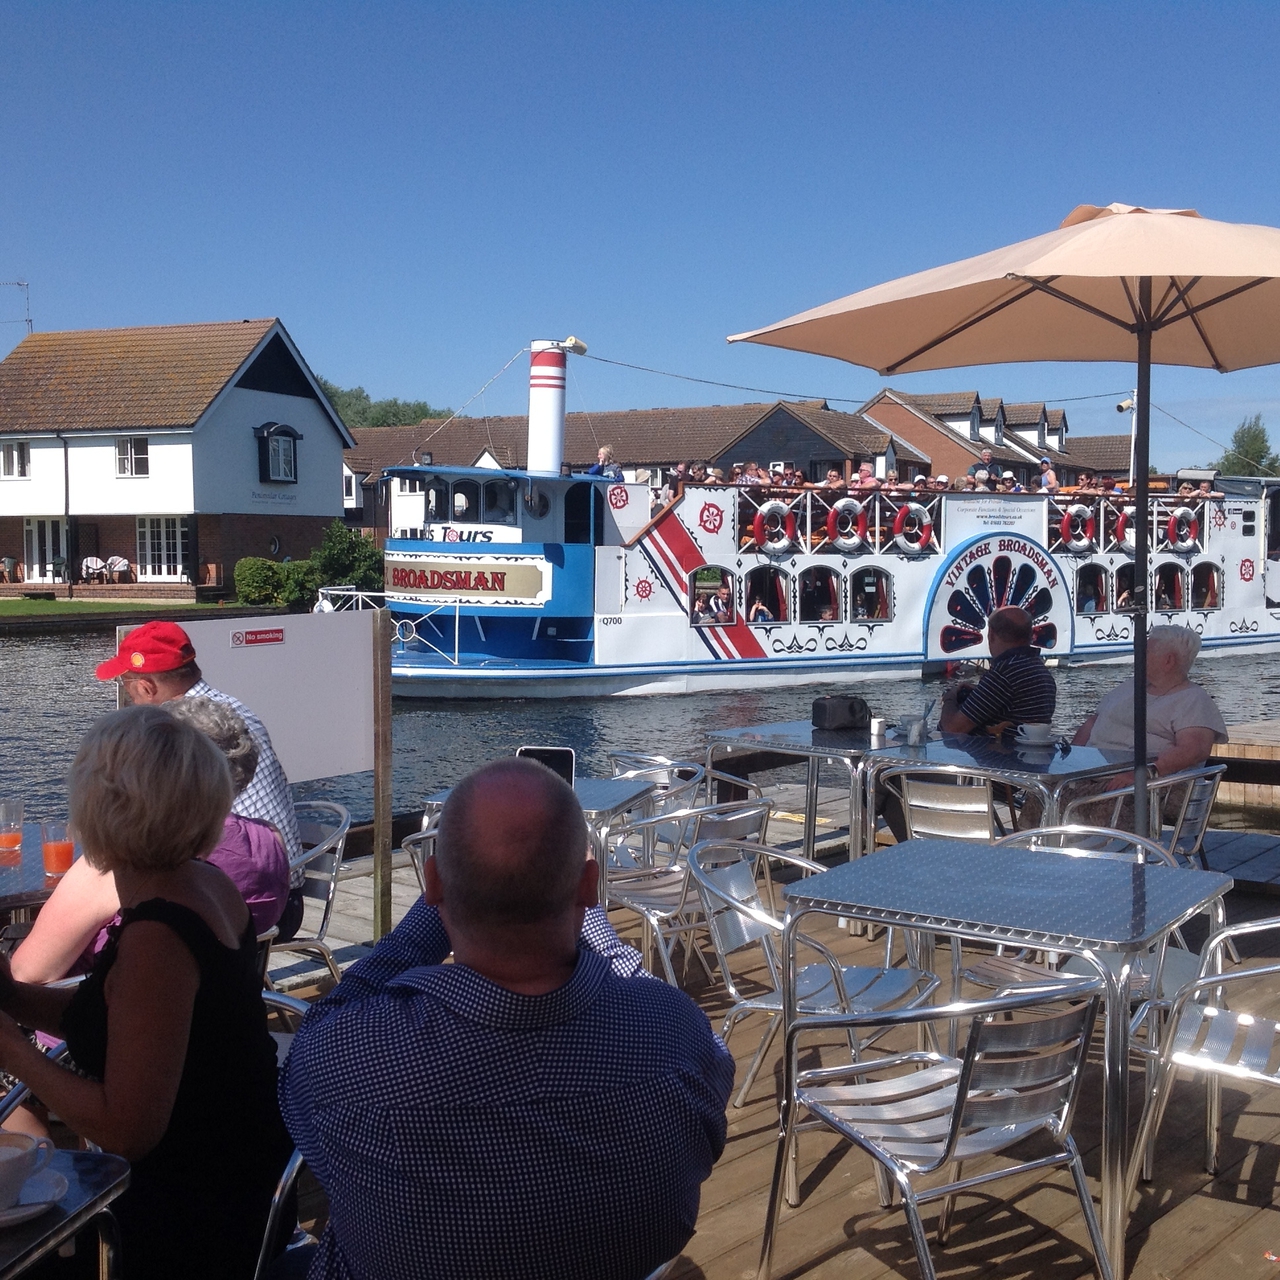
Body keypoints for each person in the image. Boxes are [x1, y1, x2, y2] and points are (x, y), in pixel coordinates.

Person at [280, 758, 734, 1280]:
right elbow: (707, 1092)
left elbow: (305, 1061)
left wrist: (430, 917)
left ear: (431, 882)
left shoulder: (352, 1056)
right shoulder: (673, 1037)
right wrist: (599, 932)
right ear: (589, 887)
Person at [0, 706, 292, 1278]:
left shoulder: (158, 938)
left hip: (190, 1222)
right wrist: (12, 998)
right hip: (245, 1173)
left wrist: (13, 1054)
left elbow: (127, 1130)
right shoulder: (200, 883)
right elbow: (125, 1020)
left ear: (98, 807)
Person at [11, 697, 290, 986]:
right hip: (223, 1011)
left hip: (98, 1013)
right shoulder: (268, 841)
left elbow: (28, 973)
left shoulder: (118, 871)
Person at [95, 620, 306, 940]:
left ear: (146, 687)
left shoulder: (184, 734)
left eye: (127, 687)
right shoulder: (227, 711)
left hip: (249, 904)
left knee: (109, 911)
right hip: (277, 890)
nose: (131, 700)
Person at [1071, 626, 1228, 786]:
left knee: (1051, 801)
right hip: (1087, 776)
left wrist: (1141, 774)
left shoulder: (1193, 700)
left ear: (1168, 661)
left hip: (1142, 789)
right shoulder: (1130, 686)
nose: (1137, 656)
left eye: (1145, 652)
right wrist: (1071, 759)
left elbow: (1193, 751)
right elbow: (1093, 722)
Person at [938, 606, 1056, 735]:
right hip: (1027, 751)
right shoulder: (1041, 672)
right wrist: (980, 691)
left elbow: (952, 729)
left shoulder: (1003, 674)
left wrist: (949, 698)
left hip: (1001, 752)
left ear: (991, 635)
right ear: (1030, 635)